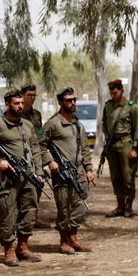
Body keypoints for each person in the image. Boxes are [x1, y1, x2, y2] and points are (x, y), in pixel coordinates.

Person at [0, 89, 46, 267]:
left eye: (22, 103)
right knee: (8, 212)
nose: (20, 106)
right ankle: (9, 249)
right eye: (16, 103)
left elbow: (35, 148)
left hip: (29, 176)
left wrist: (39, 172)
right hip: (8, 178)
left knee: (29, 210)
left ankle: (23, 246)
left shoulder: (28, 125)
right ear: (7, 104)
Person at [42, 87, 94, 253]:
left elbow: (85, 149)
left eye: (74, 100)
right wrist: (50, 161)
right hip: (62, 172)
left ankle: (73, 237)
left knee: (80, 206)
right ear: (60, 102)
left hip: (79, 171)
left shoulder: (78, 124)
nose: (73, 103)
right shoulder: (52, 123)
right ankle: (64, 240)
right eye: (68, 100)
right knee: (64, 207)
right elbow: (39, 144)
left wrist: (89, 169)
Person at [101, 79, 138, 218]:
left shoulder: (131, 107)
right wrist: (107, 136)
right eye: (111, 93)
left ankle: (129, 206)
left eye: (116, 92)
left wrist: (135, 148)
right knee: (115, 177)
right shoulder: (108, 106)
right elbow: (104, 122)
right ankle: (120, 206)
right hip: (112, 144)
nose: (113, 95)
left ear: (122, 91)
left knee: (128, 176)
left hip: (126, 144)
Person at [20, 83, 51, 229]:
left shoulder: (36, 114)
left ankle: (34, 216)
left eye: (34, 95)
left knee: (38, 184)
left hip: (36, 154)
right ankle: (20, 218)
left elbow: (39, 132)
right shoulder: (16, 112)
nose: (32, 98)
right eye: (29, 95)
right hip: (21, 154)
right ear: (22, 96)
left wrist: (42, 143)